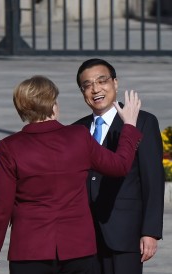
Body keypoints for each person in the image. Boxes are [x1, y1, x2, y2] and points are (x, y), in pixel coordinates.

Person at [0, 75, 142, 274]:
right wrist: (130, 126)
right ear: (53, 104)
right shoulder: (79, 136)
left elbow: (1, 206)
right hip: (78, 248)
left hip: (30, 250)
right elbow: (120, 166)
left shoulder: (10, 146)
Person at [73, 58, 164, 274]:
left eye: (101, 81)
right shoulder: (77, 129)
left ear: (115, 82)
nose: (95, 89)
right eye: (87, 85)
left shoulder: (142, 122)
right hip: (84, 236)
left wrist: (150, 231)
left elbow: (152, 178)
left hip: (125, 234)